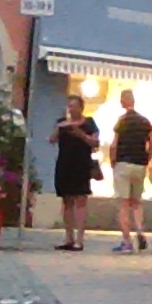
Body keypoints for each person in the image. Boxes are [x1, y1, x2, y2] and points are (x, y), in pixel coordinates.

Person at [110, 88, 152, 254]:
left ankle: (127, 242)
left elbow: (114, 144)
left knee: (123, 204)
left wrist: (113, 161)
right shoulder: (145, 121)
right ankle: (139, 230)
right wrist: (147, 157)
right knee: (137, 202)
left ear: (123, 101)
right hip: (140, 165)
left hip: (123, 163)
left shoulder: (122, 121)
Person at [49, 94, 99, 251]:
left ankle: (80, 239)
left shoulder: (89, 123)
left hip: (81, 165)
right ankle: (68, 237)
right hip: (65, 164)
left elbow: (95, 142)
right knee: (67, 201)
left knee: (81, 200)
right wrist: (59, 128)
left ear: (81, 108)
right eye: (70, 106)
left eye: (74, 106)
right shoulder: (62, 123)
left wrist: (81, 134)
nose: (72, 109)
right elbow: (51, 140)